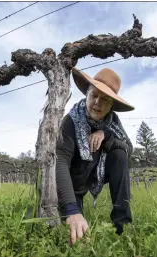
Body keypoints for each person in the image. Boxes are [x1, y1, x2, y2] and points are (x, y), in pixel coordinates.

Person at [55, 67, 135, 246]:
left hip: (96, 174)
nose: (97, 103)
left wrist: (105, 134)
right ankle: (74, 207)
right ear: (87, 94)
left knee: (120, 153)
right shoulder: (70, 122)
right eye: (94, 95)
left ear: (111, 106)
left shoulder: (112, 121)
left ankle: (122, 226)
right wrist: (71, 210)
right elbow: (60, 163)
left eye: (105, 100)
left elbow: (129, 148)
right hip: (73, 184)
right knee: (76, 238)